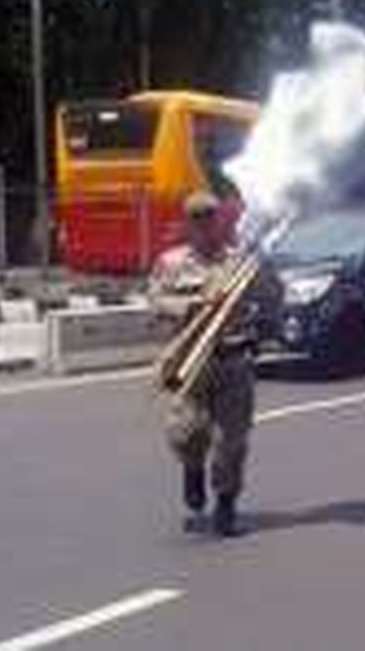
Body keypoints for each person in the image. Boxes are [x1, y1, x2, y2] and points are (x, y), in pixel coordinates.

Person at [149, 191, 277, 538]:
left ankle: (226, 505)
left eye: (210, 216)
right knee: (186, 434)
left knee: (232, 440)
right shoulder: (171, 262)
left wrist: (265, 273)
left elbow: (269, 298)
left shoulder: (239, 261)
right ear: (188, 223)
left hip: (233, 358)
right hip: (190, 361)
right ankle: (192, 470)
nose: (205, 223)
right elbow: (156, 302)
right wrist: (195, 303)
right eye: (197, 217)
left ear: (219, 220)